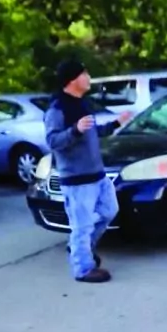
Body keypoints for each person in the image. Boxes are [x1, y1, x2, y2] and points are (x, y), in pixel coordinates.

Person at [44, 60, 133, 283]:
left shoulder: (82, 103)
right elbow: (53, 141)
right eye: (84, 74)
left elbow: (92, 132)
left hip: (98, 175)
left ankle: (80, 248)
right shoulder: (57, 109)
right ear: (72, 79)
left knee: (109, 211)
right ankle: (83, 269)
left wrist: (115, 124)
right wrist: (74, 130)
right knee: (81, 226)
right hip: (77, 180)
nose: (88, 78)